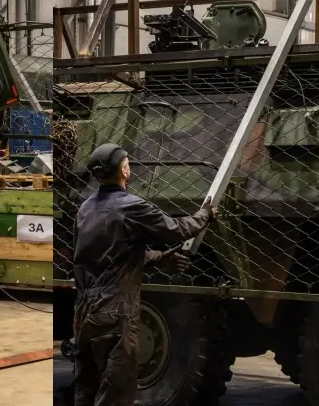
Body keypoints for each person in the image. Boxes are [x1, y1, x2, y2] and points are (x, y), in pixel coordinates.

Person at [71, 143, 213, 406]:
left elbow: (112, 256)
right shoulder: (131, 206)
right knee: (116, 391)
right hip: (115, 311)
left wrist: (163, 259)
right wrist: (205, 215)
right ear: (124, 170)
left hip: (83, 311)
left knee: (86, 388)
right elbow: (176, 229)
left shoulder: (85, 209)